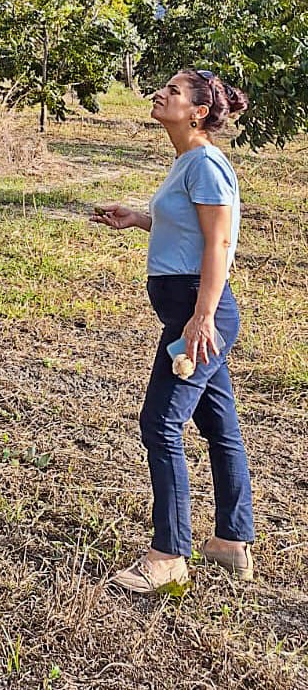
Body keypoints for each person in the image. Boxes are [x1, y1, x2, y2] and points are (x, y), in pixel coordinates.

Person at [93, 68, 255, 595]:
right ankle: (232, 542)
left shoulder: (206, 162)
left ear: (199, 111)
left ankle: (168, 555)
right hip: (189, 308)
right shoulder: (188, 162)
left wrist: (202, 317)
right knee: (218, 422)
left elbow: (218, 245)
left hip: (197, 310)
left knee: (160, 422)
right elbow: (187, 228)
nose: (161, 93)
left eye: (175, 91)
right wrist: (140, 219)